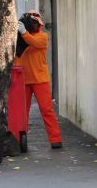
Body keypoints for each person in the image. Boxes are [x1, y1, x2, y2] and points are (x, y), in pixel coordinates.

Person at [14, 11, 62, 149]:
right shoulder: (20, 38)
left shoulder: (42, 37)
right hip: (23, 80)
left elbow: (33, 42)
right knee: (23, 112)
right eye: (33, 23)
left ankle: (55, 139)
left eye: (37, 23)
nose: (36, 26)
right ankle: (20, 140)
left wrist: (23, 32)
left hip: (40, 80)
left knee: (47, 110)